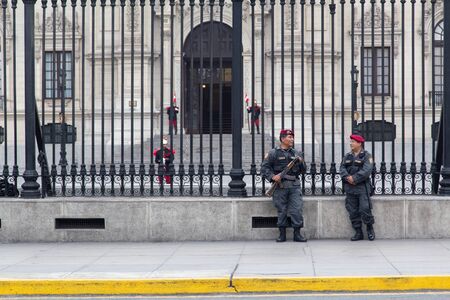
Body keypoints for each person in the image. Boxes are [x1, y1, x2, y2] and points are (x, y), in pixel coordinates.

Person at [260, 129, 307, 242]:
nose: (292, 139)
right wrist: (272, 176)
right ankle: (282, 234)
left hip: (294, 186)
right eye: (289, 137)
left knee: (296, 210)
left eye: (292, 137)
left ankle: (297, 234)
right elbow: (264, 168)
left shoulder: (296, 153)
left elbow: (304, 170)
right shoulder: (273, 153)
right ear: (282, 139)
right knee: (282, 210)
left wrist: (301, 162)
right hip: (280, 186)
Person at [340, 134, 375, 241]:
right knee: (353, 211)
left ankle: (369, 229)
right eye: (351, 142)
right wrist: (347, 177)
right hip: (350, 188)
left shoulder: (367, 156)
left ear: (359, 143)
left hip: (362, 187)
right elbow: (342, 168)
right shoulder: (347, 156)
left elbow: (367, 170)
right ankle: (358, 232)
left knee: (365, 209)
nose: (351, 143)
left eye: (353, 142)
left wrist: (354, 178)